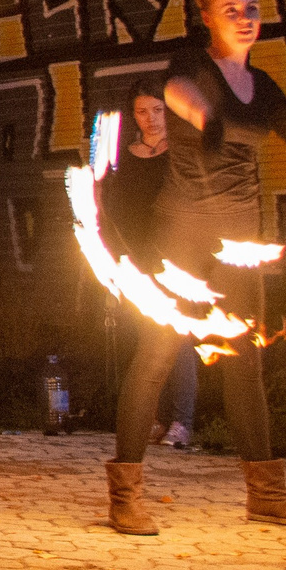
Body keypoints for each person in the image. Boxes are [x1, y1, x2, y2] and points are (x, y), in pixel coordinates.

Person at [104, 0, 286, 536]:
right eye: (230, 8)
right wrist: (204, 117)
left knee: (244, 363)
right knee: (156, 357)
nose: (245, 16)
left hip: (240, 241)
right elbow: (180, 94)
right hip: (181, 237)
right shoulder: (190, 66)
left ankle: (268, 495)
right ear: (207, 17)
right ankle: (125, 496)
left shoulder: (263, 86)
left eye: (252, 7)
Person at [99, 82, 195, 449]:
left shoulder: (183, 152)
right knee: (144, 341)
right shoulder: (125, 157)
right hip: (135, 259)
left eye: (158, 110)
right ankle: (150, 418)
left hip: (176, 258)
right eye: (142, 111)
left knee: (179, 341)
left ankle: (181, 423)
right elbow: (115, 209)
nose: (151, 118)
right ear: (133, 115)